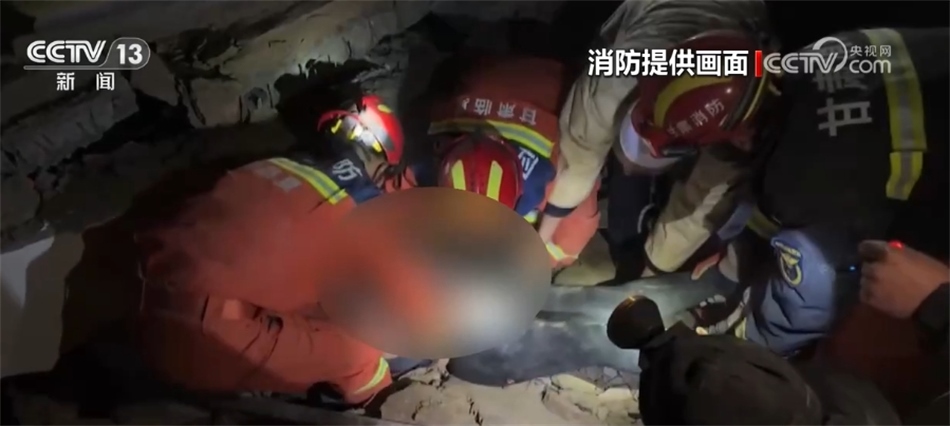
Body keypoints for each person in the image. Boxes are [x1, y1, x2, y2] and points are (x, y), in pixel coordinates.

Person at [627, 26, 948, 359]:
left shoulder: (803, 179)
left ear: (739, 135)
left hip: (929, 210)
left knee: (817, 275)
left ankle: (746, 353)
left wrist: (730, 347)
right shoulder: (821, 53)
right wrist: (737, 256)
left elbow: (807, 294)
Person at [135, 94, 424, 406]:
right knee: (363, 350)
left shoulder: (268, 166)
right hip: (195, 340)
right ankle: (373, 401)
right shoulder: (362, 208)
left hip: (138, 298)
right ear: (383, 164)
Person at [537, 0, 773, 276]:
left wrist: (649, 277)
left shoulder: (744, 142)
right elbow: (578, 158)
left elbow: (696, 213)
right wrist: (539, 242)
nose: (626, 169)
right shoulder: (614, 75)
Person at [421, 55, 601, 271]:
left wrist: (545, 260)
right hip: (488, 65)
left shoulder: (556, 178)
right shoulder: (436, 158)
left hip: (556, 71)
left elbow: (577, 225)